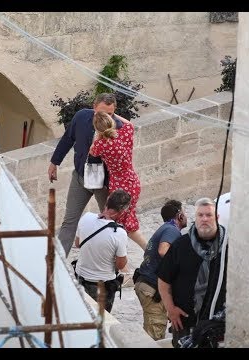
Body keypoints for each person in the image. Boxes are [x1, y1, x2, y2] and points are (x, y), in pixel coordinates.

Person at [48, 93, 123, 257]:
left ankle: (114, 264)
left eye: (109, 114)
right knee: (69, 221)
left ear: (114, 111)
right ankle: (57, 263)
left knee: (111, 223)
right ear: (94, 107)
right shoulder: (81, 117)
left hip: (103, 184)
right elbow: (68, 139)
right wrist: (55, 162)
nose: (105, 117)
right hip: (80, 178)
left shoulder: (118, 128)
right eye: (101, 112)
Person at [157, 197, 228, 348]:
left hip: (216, 323)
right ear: (195, 218)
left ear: (217, 217)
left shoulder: (228, 245)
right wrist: (170, 309)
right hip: (184, 321)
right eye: (200, 215)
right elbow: (163, 280)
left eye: (209, 215)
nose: (204, 219)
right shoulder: (181, 245)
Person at [89, 111, 147, 250]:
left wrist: (97, 136)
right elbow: (129, 124)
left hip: (119, 187)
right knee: (126, 220)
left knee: (117, 222)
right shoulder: (124, 135)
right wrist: (114, 114)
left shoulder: (101, 144)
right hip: (133, 182)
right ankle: (145, 250)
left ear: (97, 129)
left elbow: (92, 152)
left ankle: (142, 250)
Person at [134, 200, 188, 341]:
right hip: (151, 288)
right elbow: (163, 251)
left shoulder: (165, 228)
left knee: (153, 331)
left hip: (147, 285)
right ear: (180, 215)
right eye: (185, 212)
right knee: (155, 337)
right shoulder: (172, 229)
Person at [74, 189, 131, 313]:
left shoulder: (87, 217)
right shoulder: (119, 233)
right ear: (121, 212)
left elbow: (77, 244)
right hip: (102, 286)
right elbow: (120, 265)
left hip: (80, 277)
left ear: (107, 203)